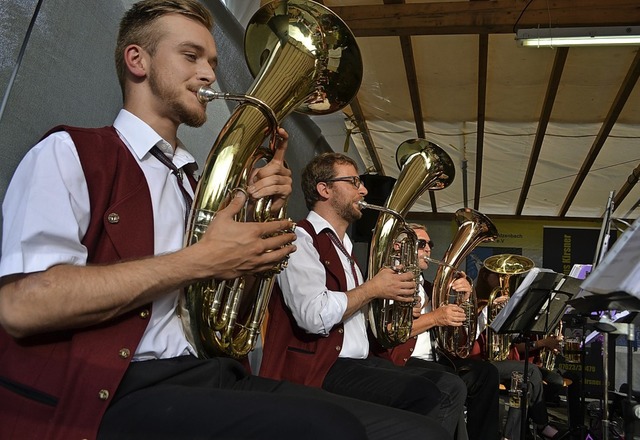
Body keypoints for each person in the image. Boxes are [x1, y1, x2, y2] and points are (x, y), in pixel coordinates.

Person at [0, 2, 451, 439]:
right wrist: (202, 259)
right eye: (191, 56)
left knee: (420, 429)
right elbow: (22, 307)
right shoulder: (70, 153)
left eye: (212, 61)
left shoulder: (196, 185)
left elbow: (227, 312)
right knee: (335, 428)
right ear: (137, 60)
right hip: (118, 387)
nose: (210, 74)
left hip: (207, 372)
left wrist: (261, 230)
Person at [260, 152, 465, 439]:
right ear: (325, 189)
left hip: (356, 362)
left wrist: (398, 312)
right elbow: (314, 316)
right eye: (354, 181)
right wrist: (373, 289)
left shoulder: (344, 247)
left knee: (448, 386)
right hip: (323, 368)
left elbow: (356, 312)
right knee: (426, 397)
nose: (364, 190)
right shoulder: (301, 238)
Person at [385, 223, 501, 440]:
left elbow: (461, 342)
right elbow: (390, 332)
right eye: (421, 244)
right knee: (450, 381)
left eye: (430, 244)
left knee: (486, 373)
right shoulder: (390, 281)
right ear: (399, 248)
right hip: (403, 361)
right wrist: (436, 317)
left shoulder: (431, 288)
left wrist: (466, 301)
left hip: (437, 358)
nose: (428, 249)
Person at [474, 266, 566, 440]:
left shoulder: (508, 304)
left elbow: (514, 340)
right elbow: (471, 335)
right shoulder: (477, 302)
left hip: (506, 360)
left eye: (507, 276)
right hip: (483, 362)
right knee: (530, 372)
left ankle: (512, 435)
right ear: (486, 276)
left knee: (522, 381)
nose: (504, 280)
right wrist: (489, 309)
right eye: (500, 275)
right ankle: (541, 424)